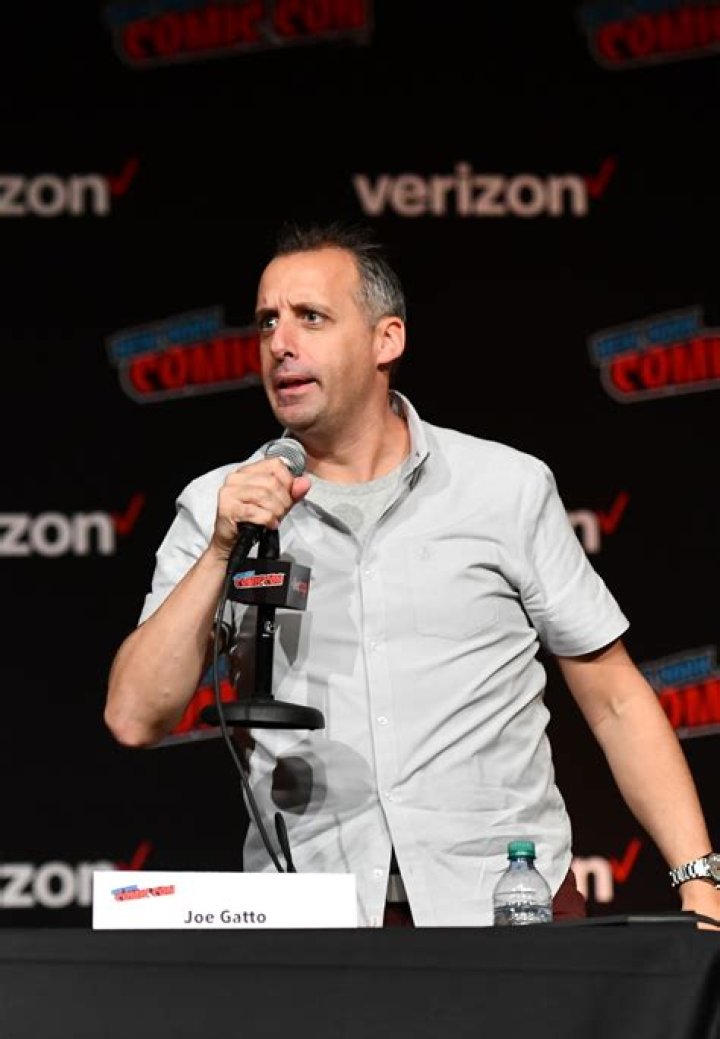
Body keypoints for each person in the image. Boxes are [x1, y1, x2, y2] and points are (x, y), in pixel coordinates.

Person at [104, 221, 720, 929]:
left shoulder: (504, 487)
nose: (280, 342)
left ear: (386, 340)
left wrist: (699, 881)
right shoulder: (221, 505)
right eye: (267, 320)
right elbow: (134, 717)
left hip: (505, 909)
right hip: (314, 922)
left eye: (311, 317)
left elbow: (614, 700)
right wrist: (220, 549)